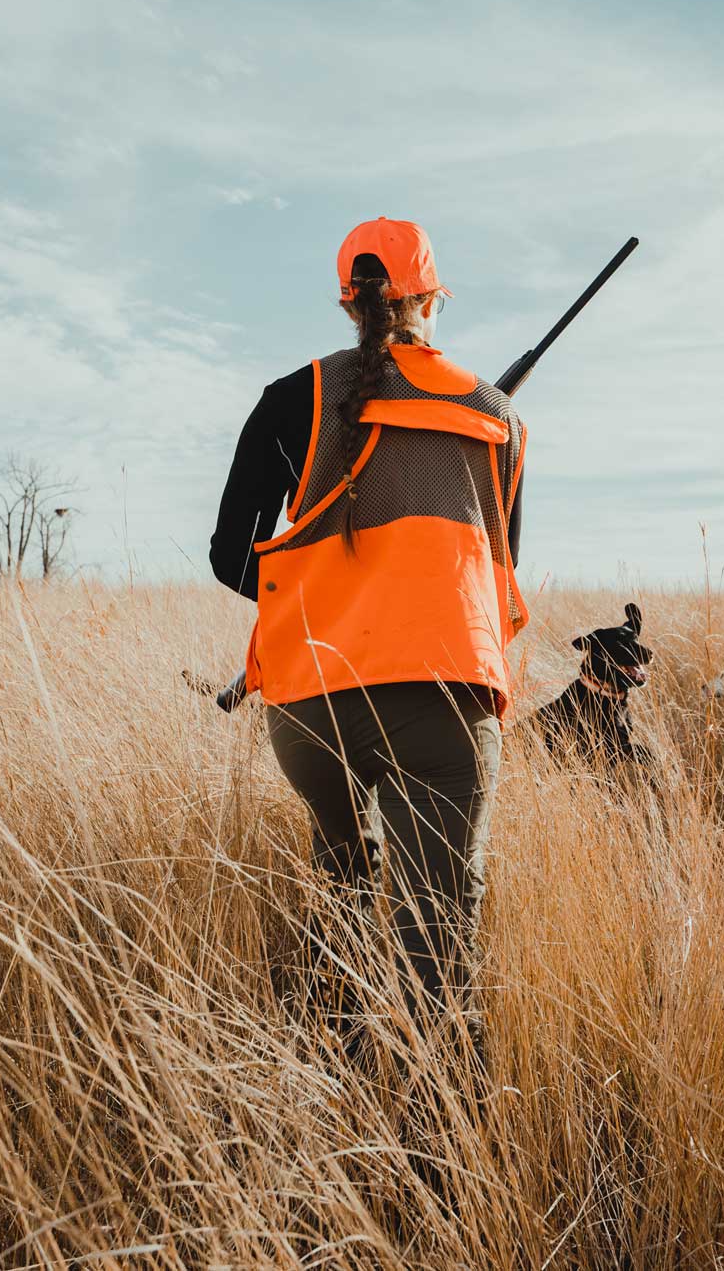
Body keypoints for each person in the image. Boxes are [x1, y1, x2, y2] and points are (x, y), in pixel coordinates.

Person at [209, 216, 529, 1030]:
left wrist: (325, 600)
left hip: (311, 710)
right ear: (431, 298)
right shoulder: (498, 416)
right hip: (442, 709)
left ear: (350, 303)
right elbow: (496, 580)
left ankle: (333, 1074)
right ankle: (439, 1153)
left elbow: (229, 553)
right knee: (440, 953)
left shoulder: (292, 399)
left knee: (347, 880)